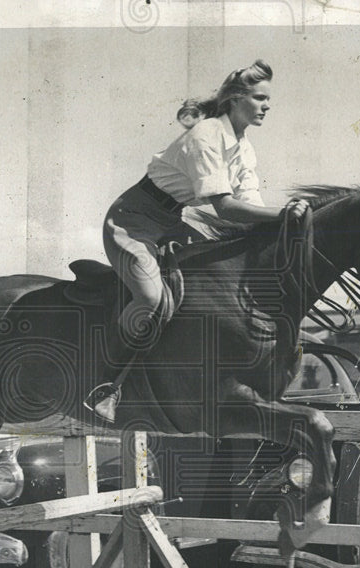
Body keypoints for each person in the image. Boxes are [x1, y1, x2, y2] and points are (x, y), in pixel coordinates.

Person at [84, 59, 309, 421]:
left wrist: (284, 222)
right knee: (152, 297)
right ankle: (105, 387)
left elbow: (252, 210)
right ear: (236, 99)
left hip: (172, 221)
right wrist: (286, 215)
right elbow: (226, 209)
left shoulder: (243, 147)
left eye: (269, 99)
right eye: (260, 97)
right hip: (132, 223)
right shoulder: (206, 135)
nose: (267, 106)